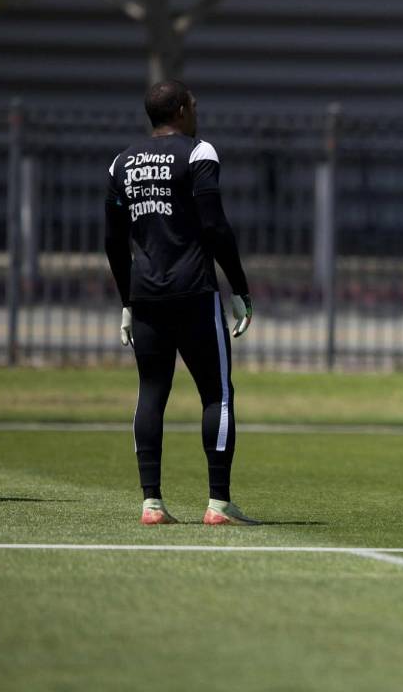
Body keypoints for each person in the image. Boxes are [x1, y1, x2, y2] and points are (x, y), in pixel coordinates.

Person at [104, 80, 258, 526]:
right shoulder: (198, 153)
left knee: (151, 393)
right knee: (218, 395)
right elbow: (215, 226)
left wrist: (126, 299)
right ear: (180, 109)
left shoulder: (121, 163)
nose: (197, 110)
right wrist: (241, 288)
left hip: (146, 295)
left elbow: (113, 240)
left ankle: (151, 503)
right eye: (193, 104)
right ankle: (218, 504)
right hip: (194, 293)